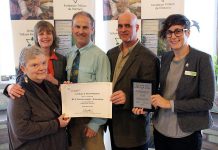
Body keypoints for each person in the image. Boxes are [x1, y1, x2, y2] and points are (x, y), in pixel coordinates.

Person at [132, 14, 215, 150]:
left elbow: (207, 102)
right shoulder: (165, 57)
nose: (173, 36)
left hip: (186, 134)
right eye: (169, 32)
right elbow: (162, 91)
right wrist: (145, 105)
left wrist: (169, 104)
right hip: (161, 130)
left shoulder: (202, 59)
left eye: (178, 31)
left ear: (188, 32)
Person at [107, 11, 160, 149]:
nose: (123, 29)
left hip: (134, 132)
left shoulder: (149, 58)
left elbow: (151, 95)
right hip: (114, 128)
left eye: (127, 26)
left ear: (136, 28)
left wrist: (128, 98)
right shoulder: (111, 54)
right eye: (120, 26)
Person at [7, 45, 70, 150]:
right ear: (23, 69)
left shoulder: (48, 85)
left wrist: (69, 92)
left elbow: (60, 109)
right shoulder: (18, 92)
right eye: (34, 65)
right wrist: (56, 124)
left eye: (44, 63)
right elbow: (21, 130)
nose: (41, 68)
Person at [66, 11, 111, 150]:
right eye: (77, 27)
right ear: (72, 29)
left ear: (92, 29)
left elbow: (105, 93)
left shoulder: (100, 56)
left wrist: (96, 123)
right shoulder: (69, 54)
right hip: (71, 121)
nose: (80, 31)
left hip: (91, 122)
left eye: (85, 27)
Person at [3, 20, 67, 99]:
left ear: (53, 36)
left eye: (49, 33)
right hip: (34, 102)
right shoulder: (27, 56)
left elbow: (64, 84)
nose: (45, 36)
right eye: (41, 34)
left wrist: (54, 81)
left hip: (57, 102)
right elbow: (19, 81)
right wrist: (9, 87)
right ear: (36, 38)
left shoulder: (62, 59)